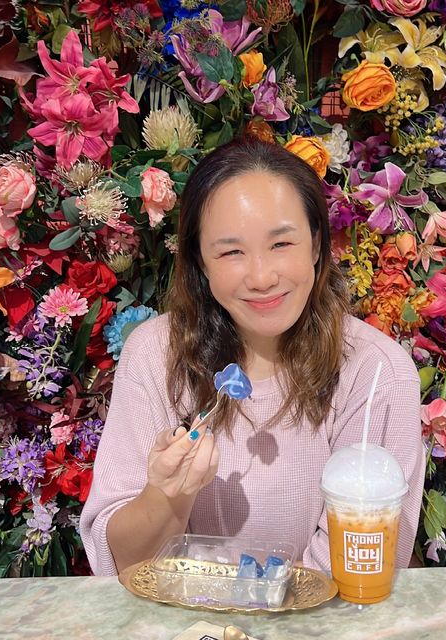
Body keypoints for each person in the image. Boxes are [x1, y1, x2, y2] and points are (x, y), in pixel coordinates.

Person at [80, 136, 425, 576]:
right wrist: (167, 496)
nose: (262, 277)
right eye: (230, 252)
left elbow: (361, 565)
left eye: (282, 244)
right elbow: (125, 563)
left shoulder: (375, 372)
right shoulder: (154, 354)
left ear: (317, 246)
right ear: (201, 263)